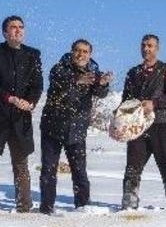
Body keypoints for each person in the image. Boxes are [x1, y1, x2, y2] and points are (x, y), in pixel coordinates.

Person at [0, 15, 43, 215]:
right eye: (13, 27)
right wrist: (9, 98)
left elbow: (37, 85)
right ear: (5, 33)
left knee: (21, 163)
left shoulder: (33, 55)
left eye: (21, 27)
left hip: (20, 118)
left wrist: (30, 102)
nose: (18, 30)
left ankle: (24, 206)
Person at [38, 39, 113, 215]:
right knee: (48, 170)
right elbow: (59, 82)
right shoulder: (59, 68)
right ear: (72, 52)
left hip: (77, 130)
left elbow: (100, 93)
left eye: (85, 51)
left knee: (79, 171)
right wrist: (77, 79)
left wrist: (103, 84)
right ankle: (46, 207)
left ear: (90, 54)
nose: (81, 54)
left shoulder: (94, 72)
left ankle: (83, 205)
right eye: (78, 50)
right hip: (52, 127)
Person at [120, 34, 166, 211]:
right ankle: (129, 204)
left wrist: (154, 103)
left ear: (157, 48)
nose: (146, 48)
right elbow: (126, 100)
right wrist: (120, 119)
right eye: (143, 45)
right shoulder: (132, 73)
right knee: (132, 167)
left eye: (150, 45)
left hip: (163, 125)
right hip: (138, 127)